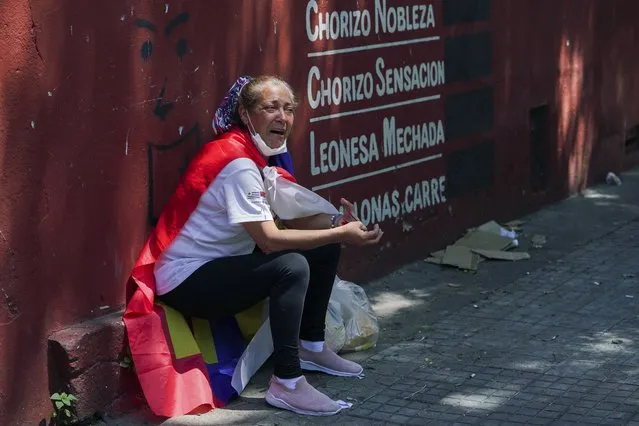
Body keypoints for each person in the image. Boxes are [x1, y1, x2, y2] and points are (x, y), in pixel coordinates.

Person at [149, 75, 383, 416]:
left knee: (323, 249)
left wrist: (338, 225)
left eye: (288, 109)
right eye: (270, 108)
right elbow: (269, 240)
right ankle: (286, 382)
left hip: (221, 266)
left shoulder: (251, 154)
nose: (282, 117)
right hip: (186, 281)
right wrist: (338, 234)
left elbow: (292, 215)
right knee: (291, 265)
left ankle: (310, 346)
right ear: (245, 114)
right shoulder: (238, 164)